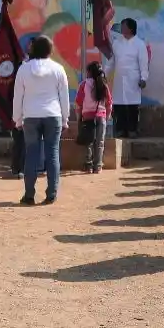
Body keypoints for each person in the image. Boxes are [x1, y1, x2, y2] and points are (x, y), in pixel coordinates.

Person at [13, 36, 69, 205]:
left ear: (33, 49)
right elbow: (64, 97)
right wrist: (65, 118)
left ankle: (29, 194)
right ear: (50, 50)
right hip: (53, 116)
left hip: (30, 116)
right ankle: (51, 193)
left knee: (31, 154)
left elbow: (18, 97)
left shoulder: (23, 69)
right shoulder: (58, 69)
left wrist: (17, 119)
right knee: (52, 154)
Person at [106, 18, 149, 138]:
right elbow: (111, 62)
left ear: (130, 28)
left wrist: (143, 78)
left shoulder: (139, 44)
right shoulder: (117, 43)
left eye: (123, 26)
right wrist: (104, 73)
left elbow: (143, 63)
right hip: (120, 79)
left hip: (133, 80)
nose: (121, 28)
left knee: (132, 106)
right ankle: (120, 130)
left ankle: (132, 130)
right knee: (119, 105)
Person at [75, 60, 112, 174]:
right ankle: (98, 166)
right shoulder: (104, 85)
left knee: (88, 142)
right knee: (100, 142)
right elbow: (109, 103)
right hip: (101, 116)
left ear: (89, 72)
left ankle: (89, 165)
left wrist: (79, 117)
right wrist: (107, 117)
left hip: (87, 116)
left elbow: (78, 103)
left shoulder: (84, 84)